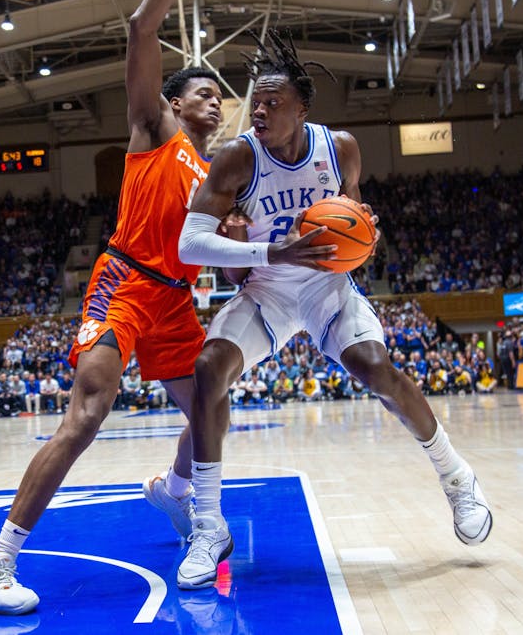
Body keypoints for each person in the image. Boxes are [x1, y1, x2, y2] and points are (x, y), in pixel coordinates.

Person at [0, 0, 244, 615]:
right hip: (123, 284)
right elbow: (139, 27)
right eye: (205, 95)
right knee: (87, 414)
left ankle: (176, 494)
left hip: (177, 302)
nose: (216, 104)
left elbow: (230, 261)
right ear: (176, 103)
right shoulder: (155, 132)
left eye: (221, 98)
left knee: (213, 408)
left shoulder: (217, 180)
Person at [175, 29, 492, 589]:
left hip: (326, 288)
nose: (260, 110)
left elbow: (351, 218)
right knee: (207, 369)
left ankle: (457, 476)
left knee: (375, 367)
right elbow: (189, 245)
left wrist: (362, 232)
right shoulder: (234, 160)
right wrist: (271, 248)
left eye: (274, 102)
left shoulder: (339, 147)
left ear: (302, 109)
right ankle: (208, 524)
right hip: (269, 287)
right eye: (256, 100)